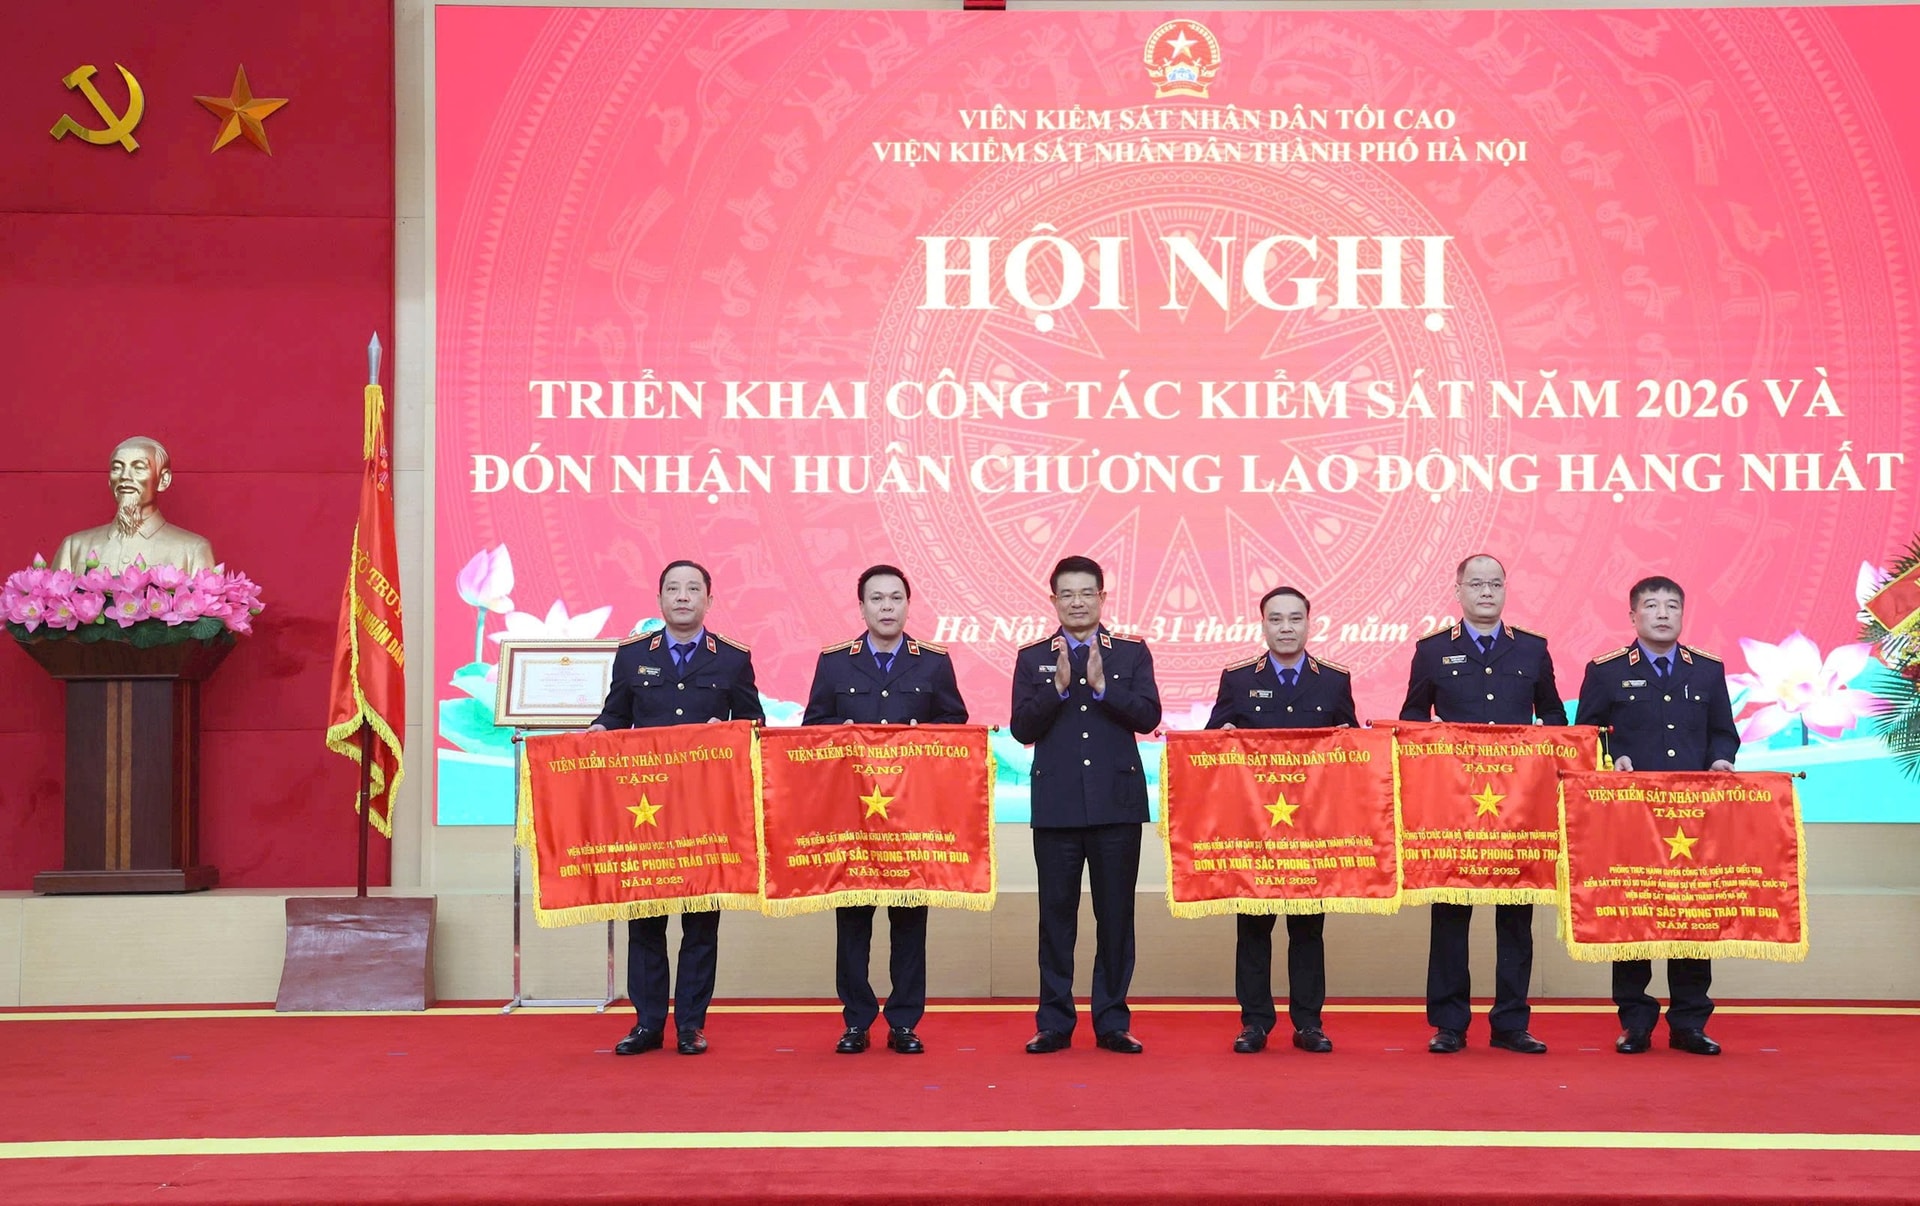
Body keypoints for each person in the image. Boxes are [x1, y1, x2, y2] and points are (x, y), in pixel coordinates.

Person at [588, 560, 763, 1057]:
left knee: (700, 921)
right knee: (645, 919)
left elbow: (754, 722)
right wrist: (599, 731)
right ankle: (647, 1024)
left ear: (709, 599)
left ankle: (690, 1024)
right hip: (645, 812)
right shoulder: (632, 656)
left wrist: (728, 731)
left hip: (705, 812)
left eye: (692, 589)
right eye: (673, 589)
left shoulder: (732, 658)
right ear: (660, 599)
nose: (682, 597)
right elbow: (615, 715)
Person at [1400, 553, 1565, 1055]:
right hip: (1455, 811)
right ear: (1458, 591)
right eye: (1476, 584)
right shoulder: (1432, 650)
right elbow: (1412, 717)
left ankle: (1511, 1023)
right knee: (1451, 916)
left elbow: (1554, 716)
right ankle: (1449, 1023)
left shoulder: (1532, 649)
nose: (1486, 592)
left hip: (1517, 810)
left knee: (1515, 918)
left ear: (1506, 589)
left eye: (1495, 584)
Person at [802, 564, 968, 1055]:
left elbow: (955, 725)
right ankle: (855, 1022)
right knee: (853, 922)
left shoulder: (933, 663)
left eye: (896, 598)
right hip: (852, 818)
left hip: (910, 818)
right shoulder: (835, 663)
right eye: (877, 599)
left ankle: (904, 1022)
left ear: (908, 605)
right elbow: (812, 728)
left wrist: (924, 736)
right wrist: (838, 734)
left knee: (909, 921)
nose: (887, 607)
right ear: (862, 607)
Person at [1575, 575, 1738, 1056]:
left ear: (1683, 614)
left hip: (1694, 814)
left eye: (1672, 606)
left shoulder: (1707, 670)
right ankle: (1635, 1021)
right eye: (1651, 605)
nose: (1662, 613)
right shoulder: (1605, 671)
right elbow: (1587, 734)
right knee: (1633, 914)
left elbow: (1723, 731)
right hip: (1631, 816)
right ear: (1633, 616)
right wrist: (1611, 758)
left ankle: (1690, 1022)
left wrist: (1720, 760)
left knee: (1691, 915)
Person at [1010, 555, 1161, 1054]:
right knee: (1056, 919)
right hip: (1056, 808)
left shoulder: (1130, 654)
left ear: (1102, 597)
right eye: (1067, 594)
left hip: (1117, 806)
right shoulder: (1033, 657)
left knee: (1116, 918)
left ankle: (1112, 1021)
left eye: (1086, 593)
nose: (1077, 602)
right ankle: (1054, 1023)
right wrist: (1055, 691)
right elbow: (1022, 729)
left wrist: (1103, 688)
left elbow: (1148, 717)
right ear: (1054, 600)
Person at [1205, 586, 1355, 1055]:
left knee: (1308, 929)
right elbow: (1211, 743)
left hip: (1311, 832)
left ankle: (1309, 1023)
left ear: (1309, 623)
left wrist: (1349, 740)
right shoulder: (1237, 679)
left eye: (1295, 619)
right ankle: (1254, 1023)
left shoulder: (1333, 680)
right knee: (1253, 928)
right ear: (1263, 625)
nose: (1286, 628)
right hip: (1255, 830)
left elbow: (1352, 751)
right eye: (1276, 619)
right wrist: (1223, 736)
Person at [51, 436, 215, 573]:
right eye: (117, 468)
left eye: (138, 468)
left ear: (163, 480)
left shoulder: (193, 550)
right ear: (109, 481)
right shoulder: (73, 547)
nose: (125, 476)